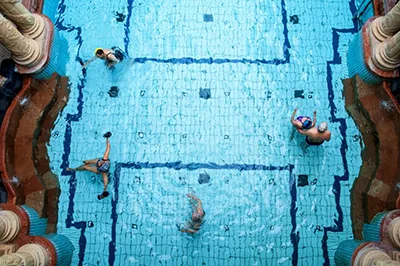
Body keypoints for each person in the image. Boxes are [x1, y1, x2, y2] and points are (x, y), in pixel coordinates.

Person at [67, 132, 112, 200]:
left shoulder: (103, 173)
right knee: (86, 162)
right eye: (101, 162)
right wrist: (107, 138)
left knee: (85, 167)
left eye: (99, 164)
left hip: (98, 170)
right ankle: (86, 164)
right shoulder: (104, 159)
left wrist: (102, 195)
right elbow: (108, 147)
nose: (99, 163)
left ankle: (74, 169)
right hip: (98, 163)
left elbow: (105, 185)